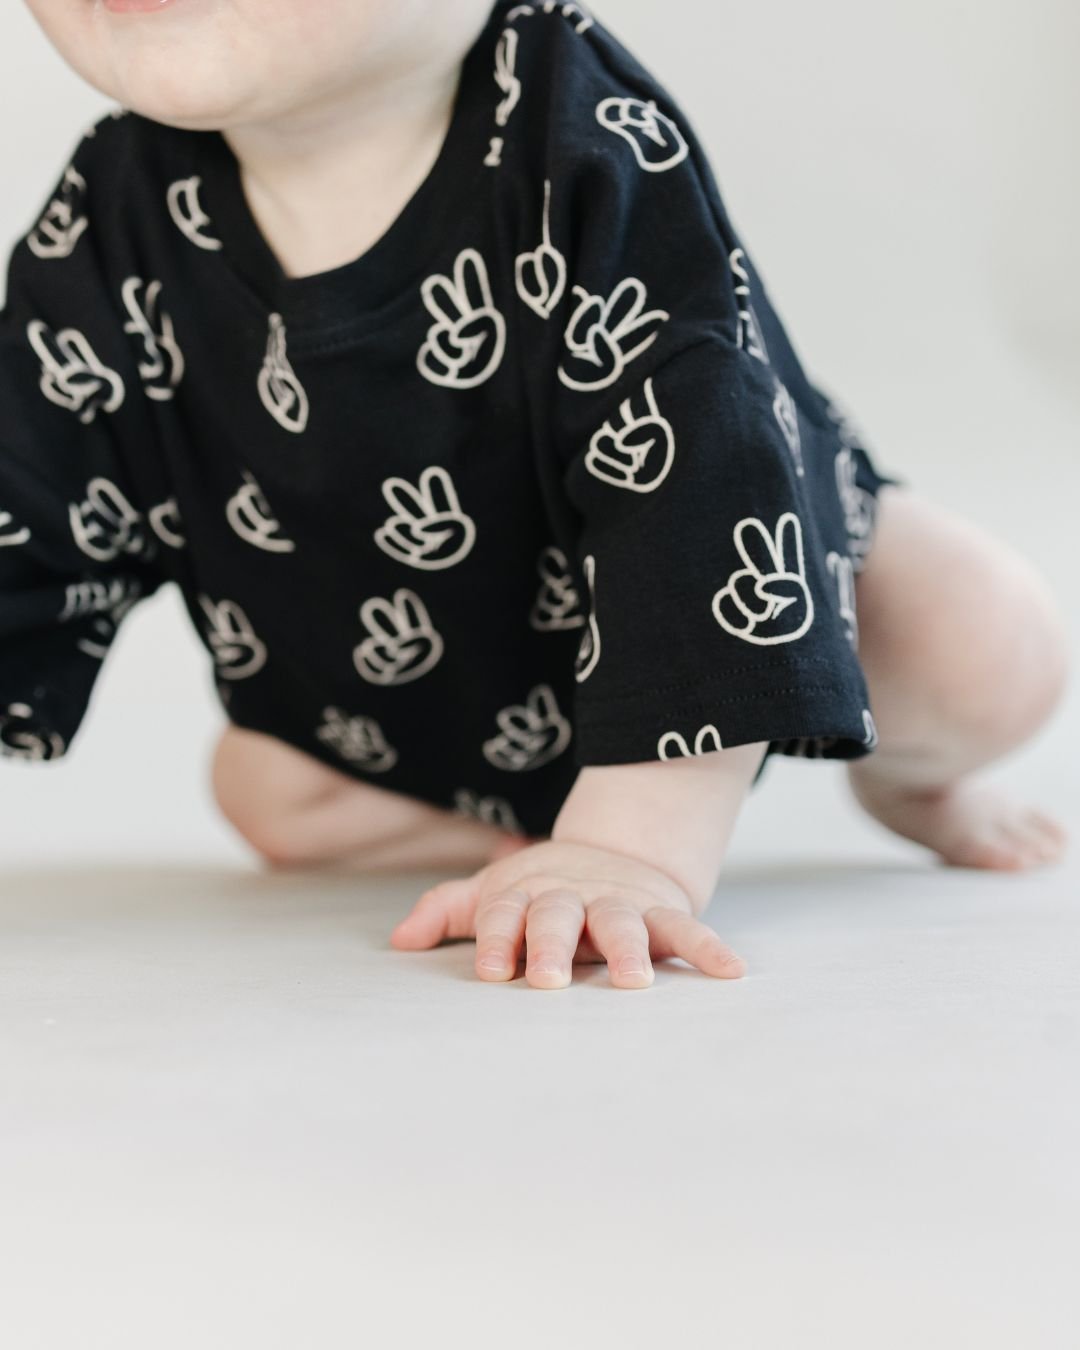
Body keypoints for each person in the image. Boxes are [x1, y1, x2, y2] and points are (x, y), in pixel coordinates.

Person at [3, 0, 1068, 990]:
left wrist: (631, 848)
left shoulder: (580, 137)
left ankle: (903, 780)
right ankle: (514, 840)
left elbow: (699, 465)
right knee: (263, 788)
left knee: (980, 647)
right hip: (422, 694)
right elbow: (27, 495)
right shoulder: (109, 217)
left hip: (741, 603)